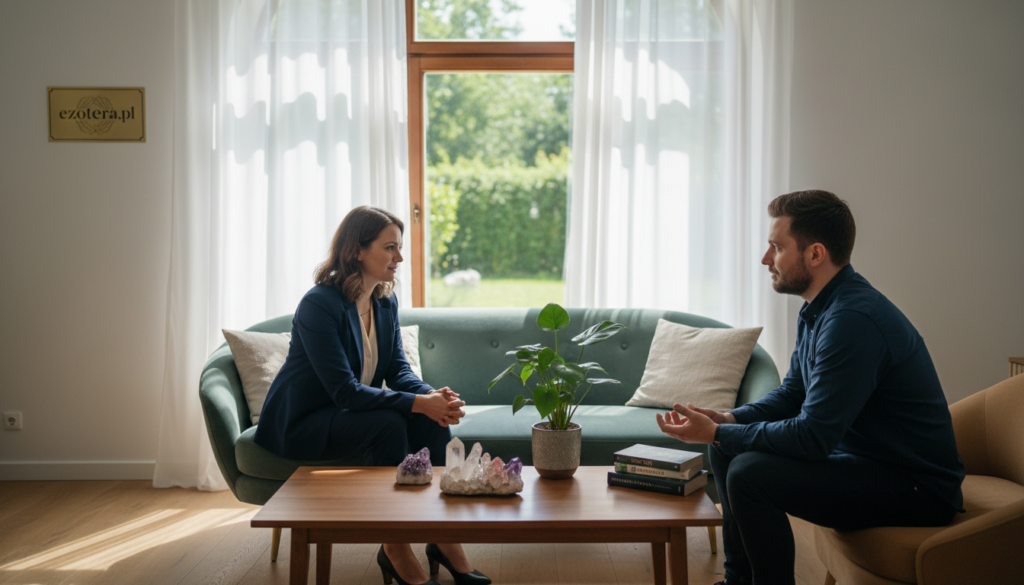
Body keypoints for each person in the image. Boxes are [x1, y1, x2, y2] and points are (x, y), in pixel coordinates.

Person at [656, 190, 965, 585]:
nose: (766, 259)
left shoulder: (853, 321)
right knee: (727, 451)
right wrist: (729, 420)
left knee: (748, 472)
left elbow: (813, 436)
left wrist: (720, 431)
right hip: (865, 463)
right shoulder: (818, 308)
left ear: (815, 254)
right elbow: (792, 395)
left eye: (776, 247)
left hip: (916, 488)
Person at [255, 206, 490, 585]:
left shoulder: (384, 301)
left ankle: (443, 535)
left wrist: (432, 398)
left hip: (346, 413)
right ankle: (393, 546)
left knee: (425, 416)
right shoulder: (319, 305)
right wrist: (418, 402)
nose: (399, 258)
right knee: (388, 422)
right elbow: (344, 391)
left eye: (400, 248)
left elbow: (397, 371)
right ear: (357, 250)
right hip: (305, 420)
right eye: (390, 247)